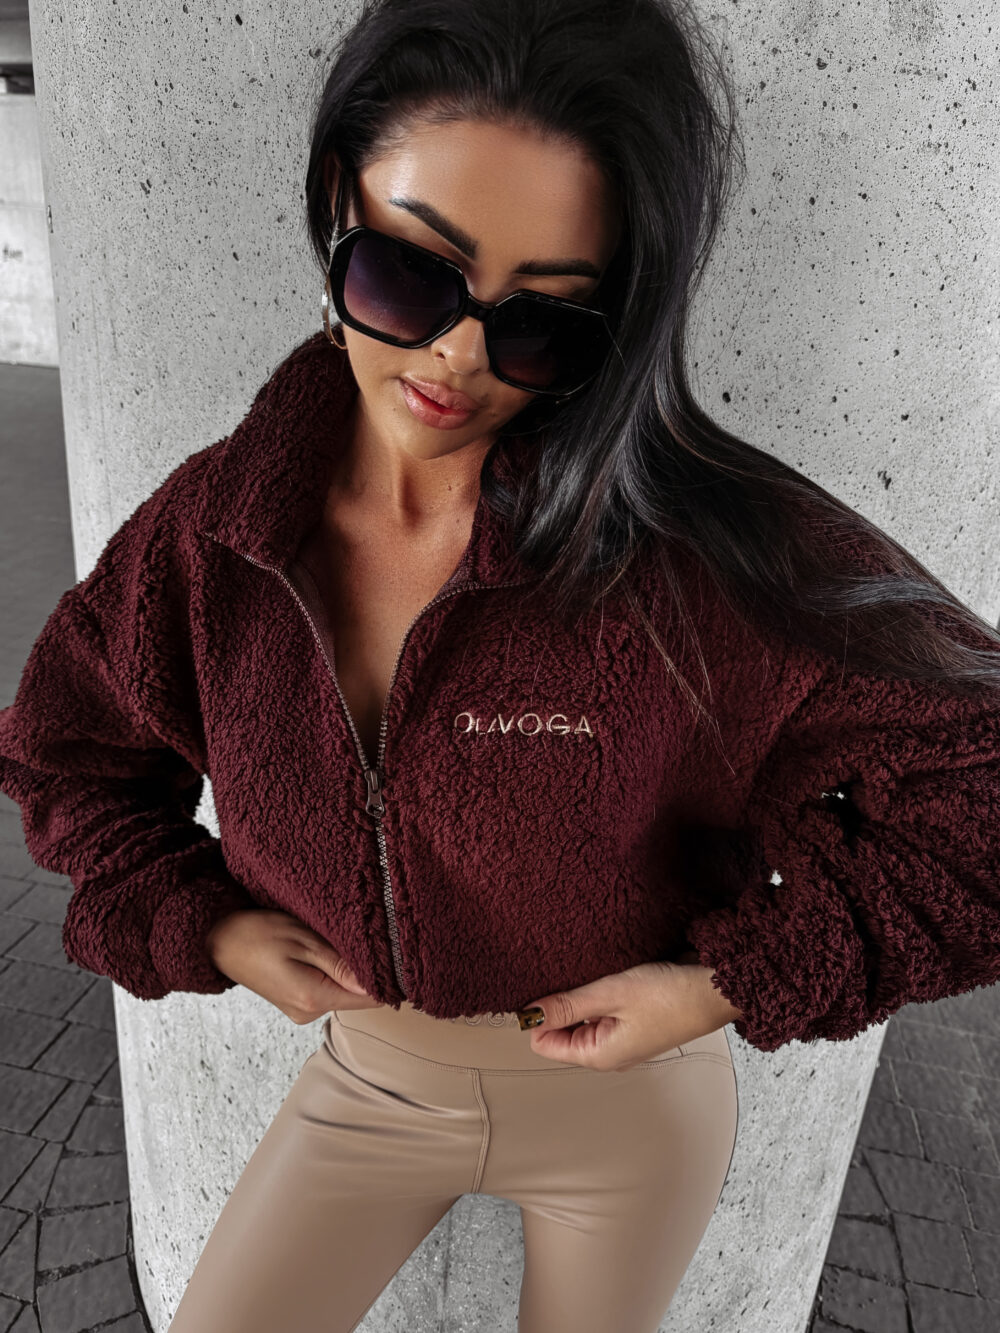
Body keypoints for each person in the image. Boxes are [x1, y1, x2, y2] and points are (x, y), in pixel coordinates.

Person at [2, 1, 1000, 1330]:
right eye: (410, 274)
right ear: (337, 200)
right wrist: (209, 926)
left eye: (545, 323)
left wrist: (730, 982)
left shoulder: (697, 560)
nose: (458, 358)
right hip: (368, 1083)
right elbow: (68, 751)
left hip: (628, 1113)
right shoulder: (216, 535)